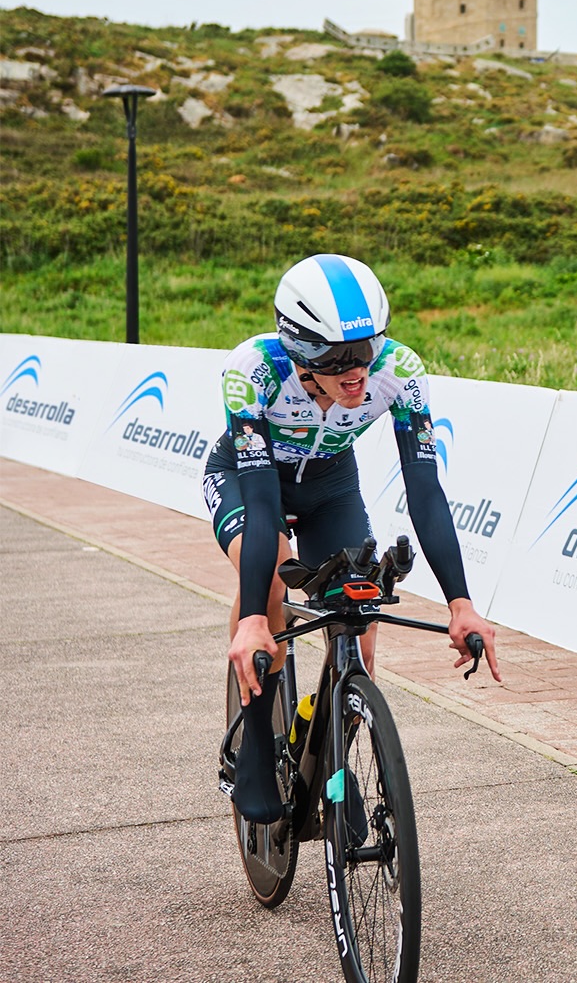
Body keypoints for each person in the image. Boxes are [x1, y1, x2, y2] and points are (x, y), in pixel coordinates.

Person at [203, 253, 502, 823]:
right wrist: (250, 623)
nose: (356, 371)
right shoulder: (254, 369)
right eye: (335, 357)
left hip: (330, 486)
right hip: (249, 479)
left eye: (364, 352)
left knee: (358, 637)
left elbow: (425, 490)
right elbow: (265, 508)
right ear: (298, 349)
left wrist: (460, 603)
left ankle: (328, 756)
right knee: (270, 578)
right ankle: (257, 749)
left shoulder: (401, 370)